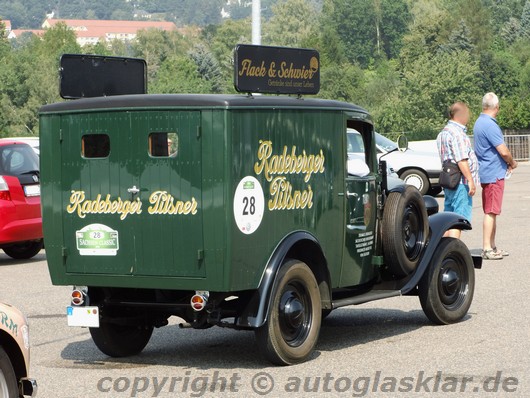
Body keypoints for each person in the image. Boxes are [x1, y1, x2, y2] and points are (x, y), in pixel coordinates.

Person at [473, 92, 518, 260]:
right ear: (496, 107)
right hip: (493, 174)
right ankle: (487, 248)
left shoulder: (479, 122)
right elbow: (503, 151)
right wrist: (512, 163)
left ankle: (492, 245)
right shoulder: (490, 125)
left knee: (492, 210)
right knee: (491, 211)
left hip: (487, 172)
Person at [436, 102, 479, 239]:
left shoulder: (443, 133)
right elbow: (461, 160)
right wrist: (471, 181)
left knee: (447, 219)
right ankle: (453, 253)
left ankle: (441, 251)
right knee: (457, 220)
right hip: (460, 182)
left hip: (449, 180)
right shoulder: (457, 133)